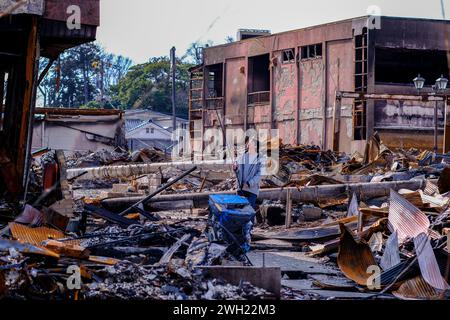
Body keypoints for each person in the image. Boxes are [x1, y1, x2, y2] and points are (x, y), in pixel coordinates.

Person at [232, 137, 261, 210]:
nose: (248, 144)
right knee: (239, 210)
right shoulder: (241, 157)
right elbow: (237, 171)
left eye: (251, 143)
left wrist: (249, 183)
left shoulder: (260, 159)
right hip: (241, 189)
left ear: (255, 146)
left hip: (252, 190)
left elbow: (259, 175)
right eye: (248, 143)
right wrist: (235, 168)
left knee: (249, 210)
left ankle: (251, 221)